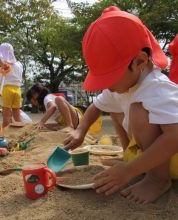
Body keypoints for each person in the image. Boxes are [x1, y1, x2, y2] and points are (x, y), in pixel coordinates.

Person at [63, 6, 178, 204]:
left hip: (172, 157)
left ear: (140, 62)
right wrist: (80, 131)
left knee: (138, 111)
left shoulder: (157, 88)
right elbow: (95, 107)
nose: (107, 85)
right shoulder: (125, 85)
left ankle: (158, 180)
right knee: (115, 109)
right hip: (155, 155)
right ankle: (130, 158)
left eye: (111, 76)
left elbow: (175, 136)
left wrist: (130, 171)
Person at [0, 43, 23, 127]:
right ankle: (20, 129)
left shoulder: (2, 66)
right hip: (18, 90)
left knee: (6, 114)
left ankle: (6, 132)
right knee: (17, 112)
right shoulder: (19, 65)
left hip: (6, 89)